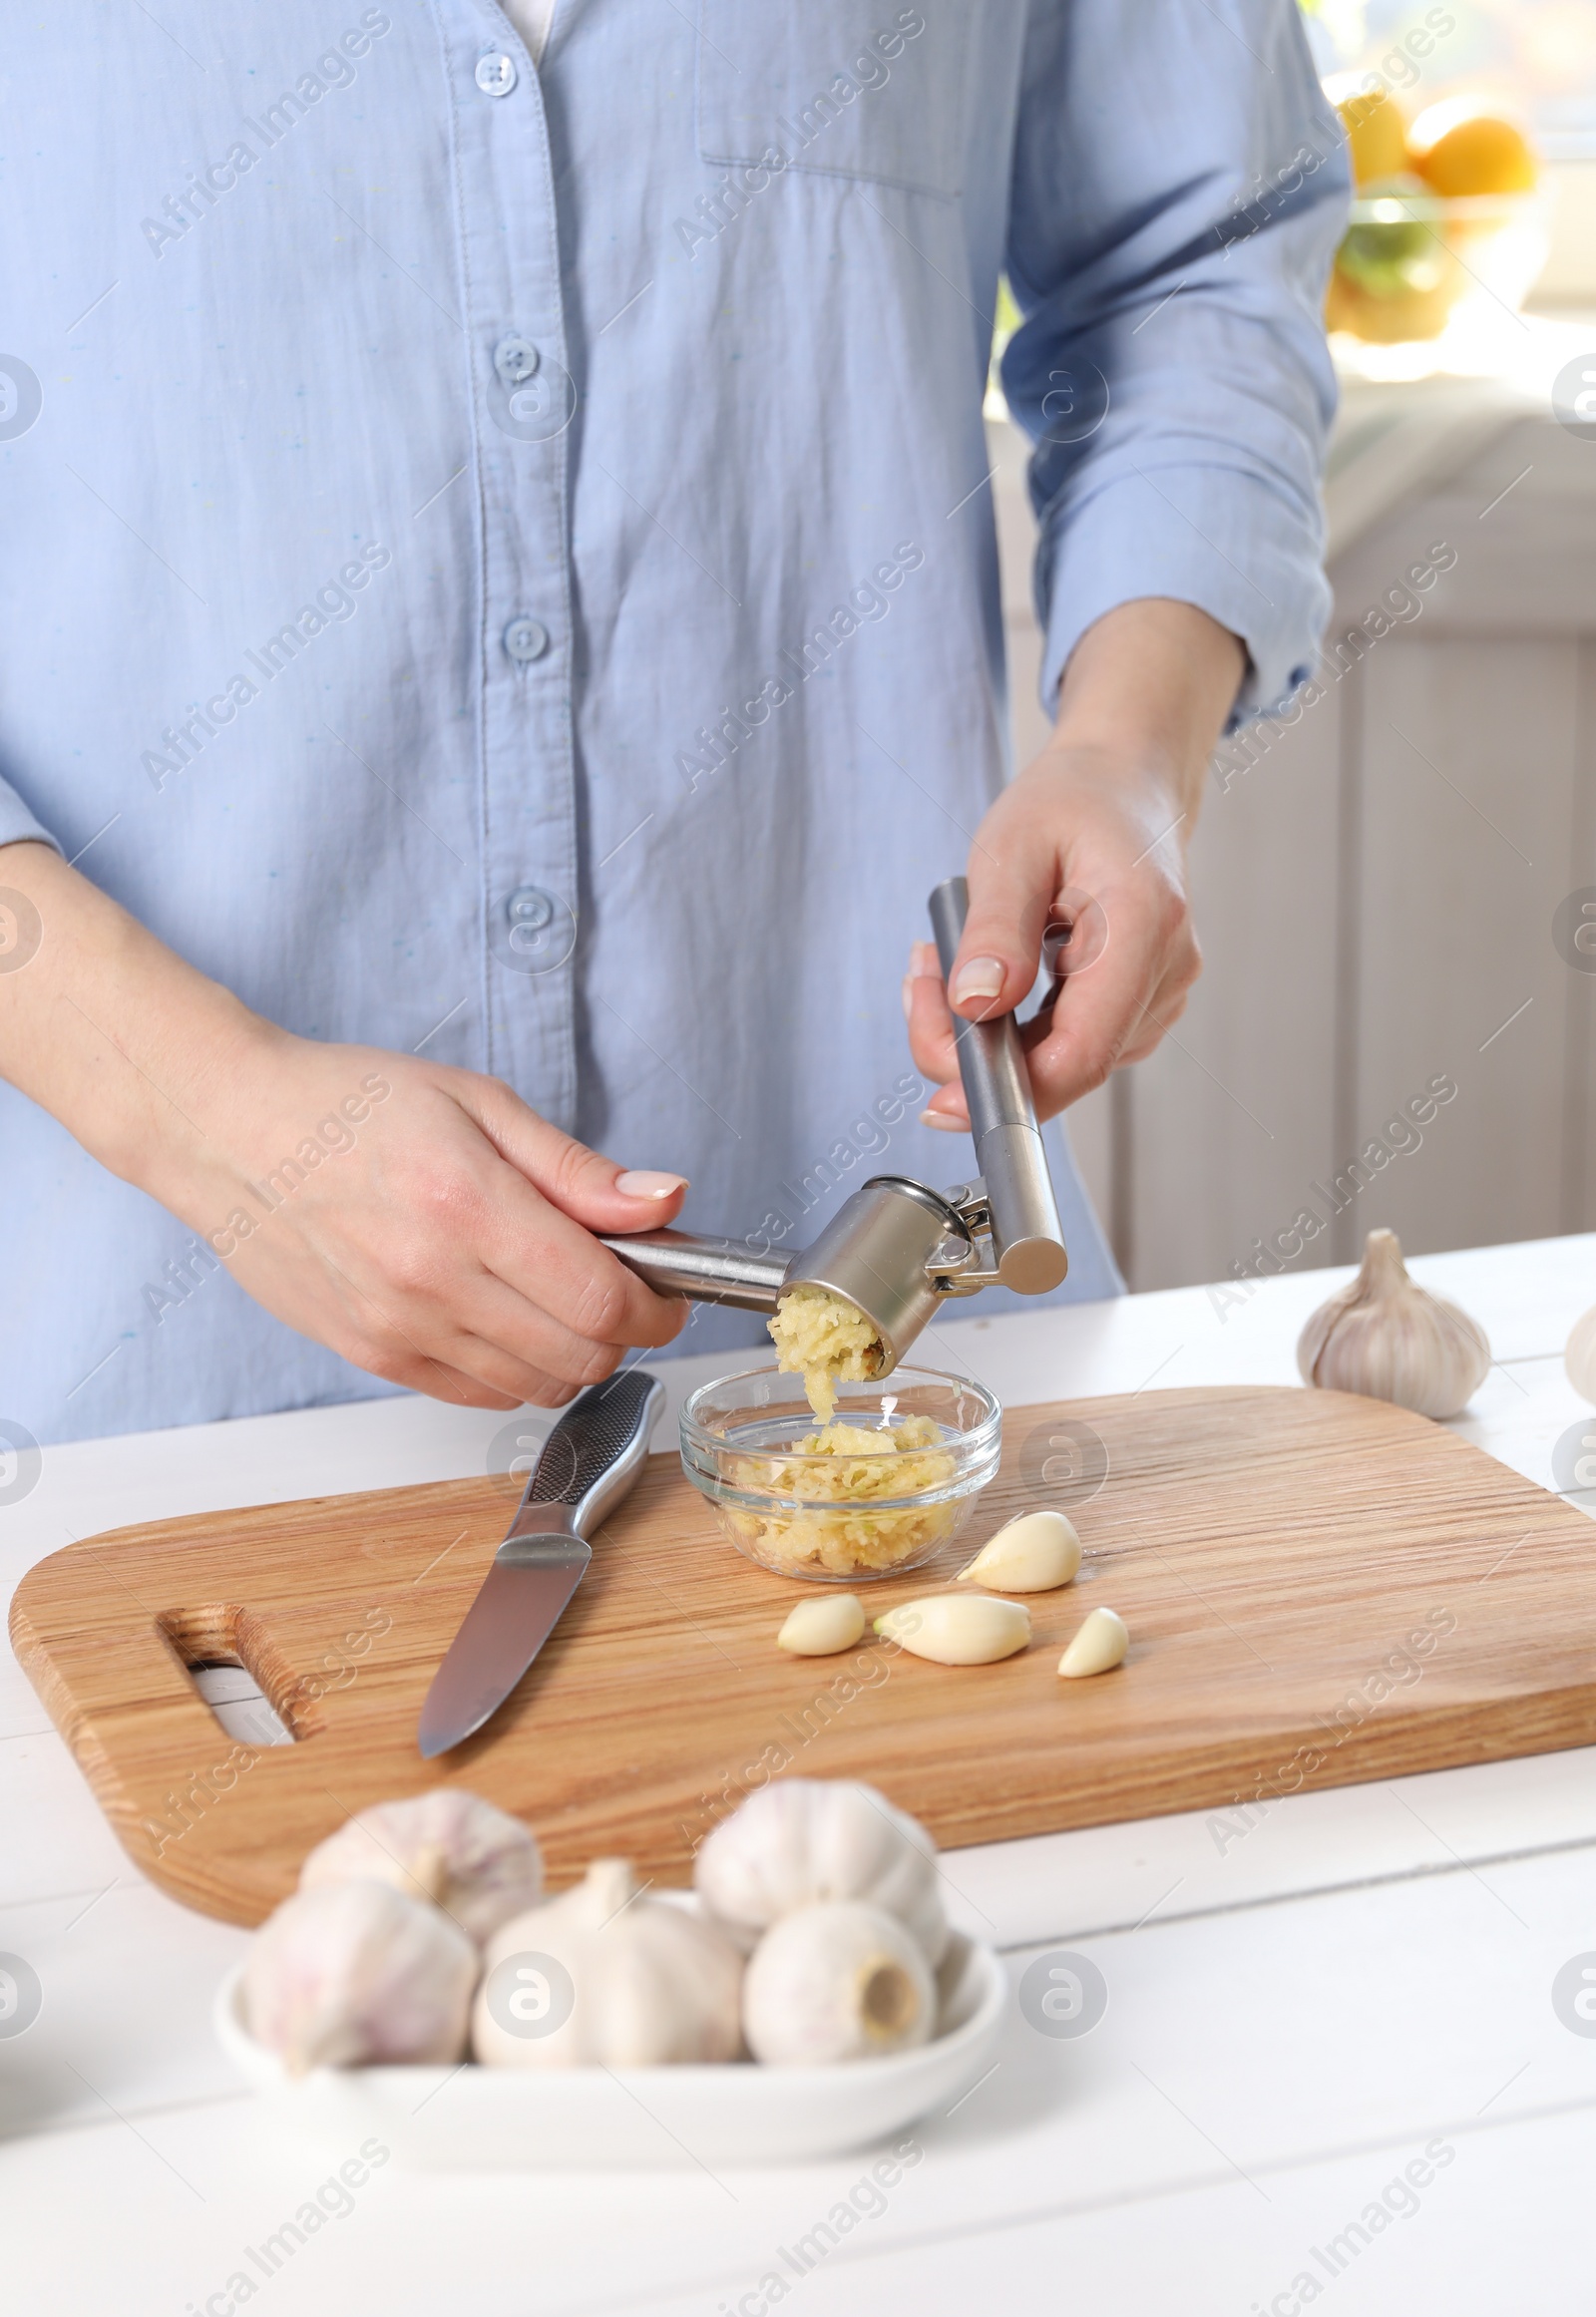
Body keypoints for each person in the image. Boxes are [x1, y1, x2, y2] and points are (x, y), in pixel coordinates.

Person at [0, 1, 1346, 1444]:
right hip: (120, 1402)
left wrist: (1126, 751)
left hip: (902, 1380)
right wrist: (207, 1114)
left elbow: (1194, 271)